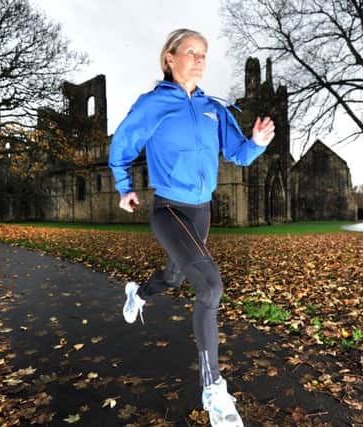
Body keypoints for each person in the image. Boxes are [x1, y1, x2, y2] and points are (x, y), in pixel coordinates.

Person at [108, 28, 275, 427]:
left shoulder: (213, 107)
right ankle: (213, 389)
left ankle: (139, 293)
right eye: (191, 52)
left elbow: (238, 154)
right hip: (169, 209)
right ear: (169, 57)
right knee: (210, 285)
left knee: (175, 276)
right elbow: (123, 147)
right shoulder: (153, 104)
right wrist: (123, 188)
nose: (200, 60)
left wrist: (255, 142)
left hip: (201, 212)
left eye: (204, 54)